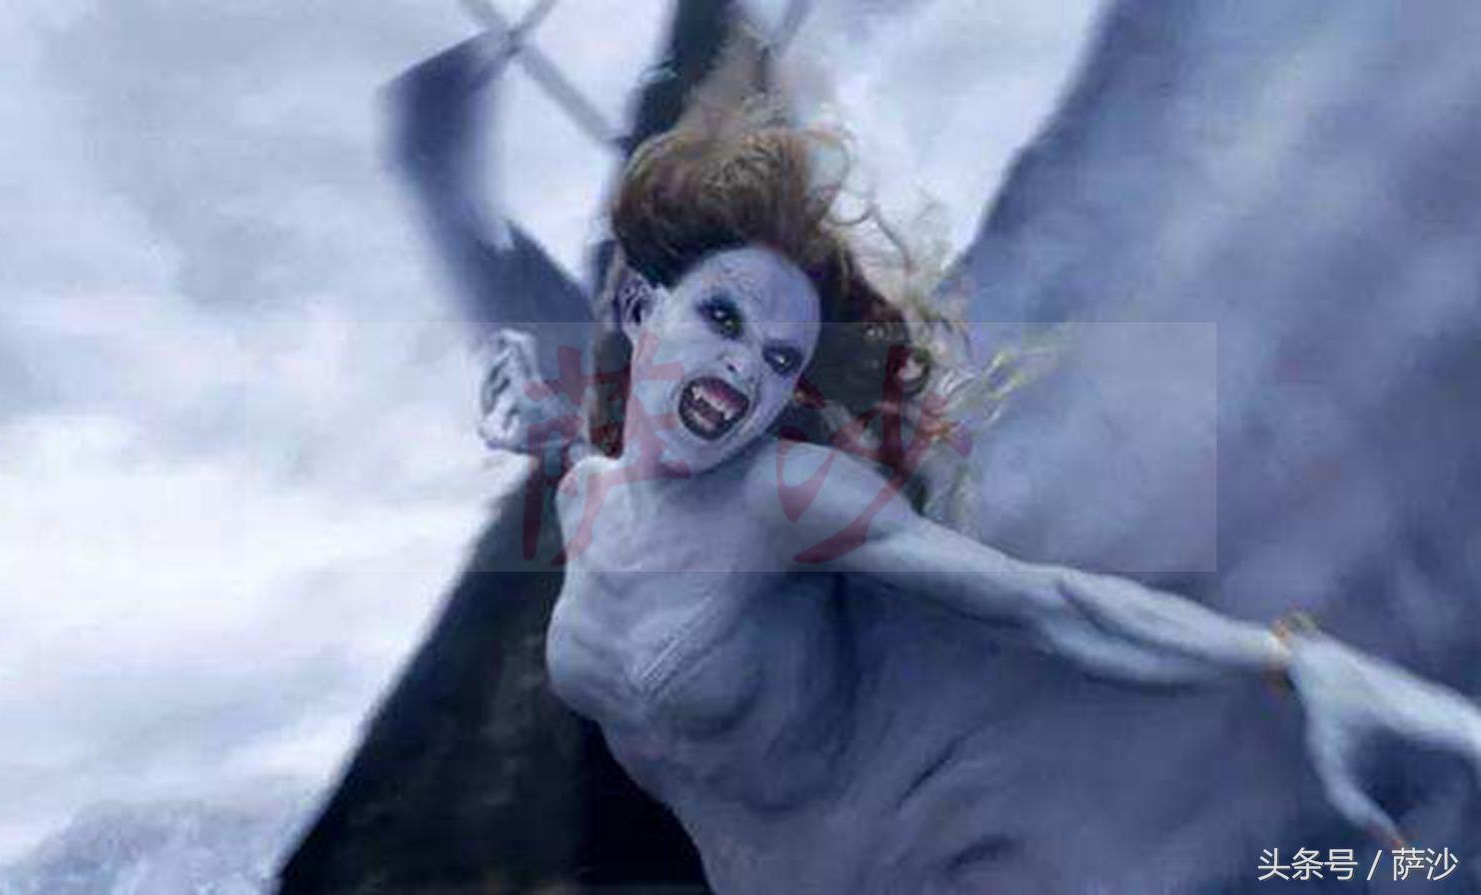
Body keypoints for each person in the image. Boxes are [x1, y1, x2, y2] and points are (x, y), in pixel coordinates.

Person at [474, 106, 1481, 892]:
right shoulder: (583, 494)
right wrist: (548, 427)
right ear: (638, 306)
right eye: (723, 318)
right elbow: (620, 495)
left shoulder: (786, 495)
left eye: (780, 359)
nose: (744, 368)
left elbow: (1046, 603)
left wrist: (1288, 660)